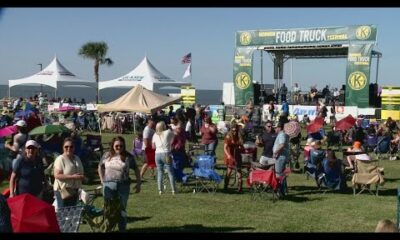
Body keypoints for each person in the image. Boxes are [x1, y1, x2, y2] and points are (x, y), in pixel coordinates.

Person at [98, 136, 141, 231]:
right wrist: (102, 180)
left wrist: (138, 184)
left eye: (121, 146)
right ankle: (108, 228)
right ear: (113, 146)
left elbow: (137, 170)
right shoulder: (106, 155)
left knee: (122, 209)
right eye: (117, 146)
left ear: (124, 146)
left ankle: (122, 229)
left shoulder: (128, 157)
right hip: (108, 185)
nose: (119, 148)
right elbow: (100, 167)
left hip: (123, 186)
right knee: (109, 209)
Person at [53, 137, 85, 208]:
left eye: (71, 147)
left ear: (74, 148)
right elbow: (57, 175)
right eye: (66, 146)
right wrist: (73, 177)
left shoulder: (77, 158)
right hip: (63, 191)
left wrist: (82, 177)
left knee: (72, 213)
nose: (69, 148)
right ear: (63, 147)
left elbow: (81, 172)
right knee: (63, 213)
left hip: (75, 191)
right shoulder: (60, 159)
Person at [152, 121, 176, 195]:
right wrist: (171, 126)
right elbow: (174, 135)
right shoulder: (168, 132)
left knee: (160, 172)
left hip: (157, 154)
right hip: (166, 153)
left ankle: (160, 190)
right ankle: (173, 190)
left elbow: (153, 147)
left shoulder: (154, 135)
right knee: (170, 172)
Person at [223, 123, 244, 192]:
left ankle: (240, 188)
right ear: (231, 130)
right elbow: (225, 148)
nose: (234, 132)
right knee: (229, 171)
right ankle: (225, 186)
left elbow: (242, 146)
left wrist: (241, 147)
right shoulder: (228, 136)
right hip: (230, 156)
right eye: (233, 131)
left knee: (239, 172)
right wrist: (228, 155)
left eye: (235, 131)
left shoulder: (239, 136)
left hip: (237, 156)